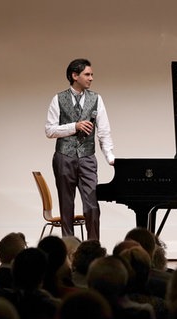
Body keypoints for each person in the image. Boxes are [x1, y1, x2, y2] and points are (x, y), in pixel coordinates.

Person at [45, 58, 115, 240]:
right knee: (66, 205)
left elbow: (104, 131)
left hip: (87, 157)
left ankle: (93, 246)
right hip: (64, 157)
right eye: (87, 74)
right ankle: (69, 249)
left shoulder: (96, 99)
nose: (91, 78)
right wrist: (74, 126)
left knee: (91, 205)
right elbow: (49, 130)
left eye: (91, 75)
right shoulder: (58, 99)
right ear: (74, 76)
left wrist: (110, 156)